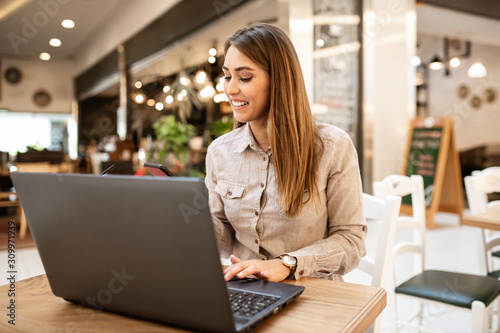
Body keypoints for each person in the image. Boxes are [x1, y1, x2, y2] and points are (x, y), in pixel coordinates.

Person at [205, 22, 366, 282]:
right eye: (227, 76)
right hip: (245, 289)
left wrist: (289, 264)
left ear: (278, 80)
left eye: (244, 77)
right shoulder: (219, 152)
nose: (230, 89)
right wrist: (189, 221)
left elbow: (352, 242)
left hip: (311, 292)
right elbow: (224, 241)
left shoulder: (333, 147)